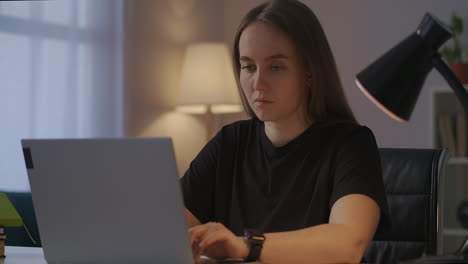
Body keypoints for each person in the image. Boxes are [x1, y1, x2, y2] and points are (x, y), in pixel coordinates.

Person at [180, 0, 389, 263]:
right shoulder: (228, 143)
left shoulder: (351, 145)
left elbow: (348, 243)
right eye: (249, 67)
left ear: (310, 72)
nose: (258, 83)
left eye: (275, 67)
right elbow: (168, 232)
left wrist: (246, 246)